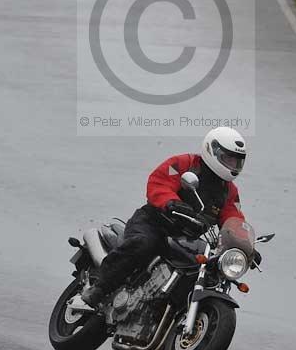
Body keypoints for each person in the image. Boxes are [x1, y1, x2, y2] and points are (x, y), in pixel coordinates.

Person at [79, 126, 252, 309]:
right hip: (154, 223)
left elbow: (234, 218)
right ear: (212, 150)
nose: (232, 165)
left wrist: (243, 247)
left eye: (236, 161)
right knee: (143, 243)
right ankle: (99, 288)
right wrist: (171, 202)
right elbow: (158, 182)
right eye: (228, 159)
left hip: (185, 238)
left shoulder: (229, 191)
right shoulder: (184, 163)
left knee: (205, 269)